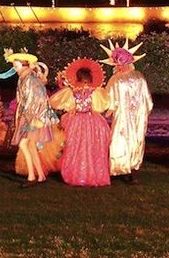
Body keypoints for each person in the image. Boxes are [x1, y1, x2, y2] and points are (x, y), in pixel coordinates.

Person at [0, 48, 60, 187]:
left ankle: (33, 176)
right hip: (29, 117)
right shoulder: (25, 78)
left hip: (32, 118)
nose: (14, 66)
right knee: (29, 145)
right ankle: (39, 176)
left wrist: (30, 119)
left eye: (16, 64)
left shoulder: (29, 79)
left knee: (25, 144)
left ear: (21, 64)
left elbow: (35, 100)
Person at [49, 58, 111, 187]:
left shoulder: (71, 91)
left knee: (76, 147)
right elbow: (101, 106)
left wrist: (71, 108)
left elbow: (55, 102)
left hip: (77, 120)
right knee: (90, 148)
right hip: (91, 121)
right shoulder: (96, 92)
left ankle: (77, 174)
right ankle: (91, 174)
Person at [101, 39, 153, 183]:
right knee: (135, 140)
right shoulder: (140, 77)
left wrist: (107, 112)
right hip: (138, 117)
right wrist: (144, 112)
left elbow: (108, 100)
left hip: (123, 117)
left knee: (120, 138)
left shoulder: (116, 80)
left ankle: (120, 168)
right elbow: (148, 100)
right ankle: (131, 169)